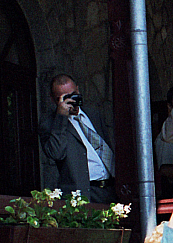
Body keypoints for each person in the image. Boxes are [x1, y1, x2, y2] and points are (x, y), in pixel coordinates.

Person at [39, 74, 117, 203]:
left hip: (109, 188)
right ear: (54, 100)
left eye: (74, 94)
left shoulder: (93, 113)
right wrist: (61, 118)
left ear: (78, 90)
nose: (71, 100)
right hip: (84, 192)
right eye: (65, 98)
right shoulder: (50, 123)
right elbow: (56, 153)